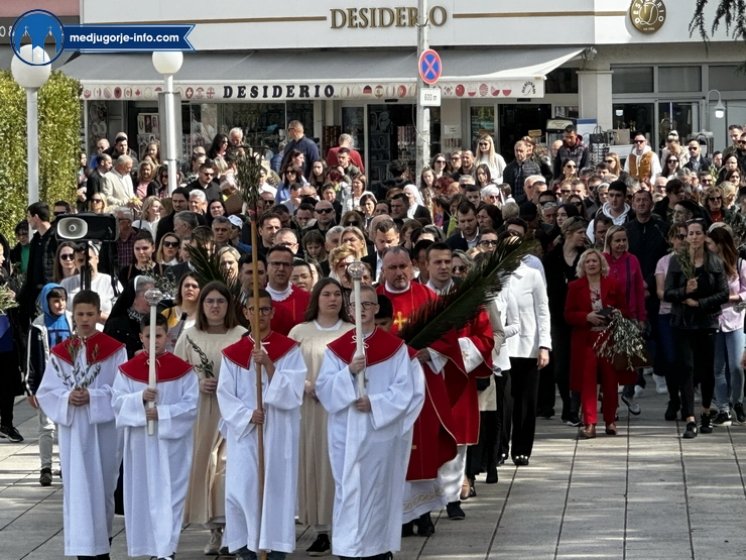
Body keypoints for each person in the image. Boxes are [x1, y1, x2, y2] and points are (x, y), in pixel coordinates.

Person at [316, 284, 424, 560]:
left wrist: (375, 403)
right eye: (355, 305)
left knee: (378, 490)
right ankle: (348, 549)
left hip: (380, 434)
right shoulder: (336, 350)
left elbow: (407, 390)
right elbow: (325, 390)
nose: (361, 310)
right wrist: (349, 373)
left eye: (367, 304)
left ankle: (377, 549)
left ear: (376, 308)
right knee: (348, 489)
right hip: (346, 431)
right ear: (348, 310)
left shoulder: (396, 349)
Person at [36, 290, 128, 559]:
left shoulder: (114, 350)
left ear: (98, 313)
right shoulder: (62, 353)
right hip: (74, 432)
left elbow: (121, 391)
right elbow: (46, 393)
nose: (85, 320)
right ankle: (82, 549)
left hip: (104, 432)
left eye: (90, 314)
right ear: (72, 316)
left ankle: (103, 545)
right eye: (80, 315)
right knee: (78, 489)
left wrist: (93, 396)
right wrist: (67, 398)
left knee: (103, 489)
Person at [217, 288, 306, 560]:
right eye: (254, 309)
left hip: (278, 432)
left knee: (276, 490)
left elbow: (294, 391)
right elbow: (224, 394)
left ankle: (275, 548)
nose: (260, 315)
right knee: (244, 489)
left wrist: (268, 365)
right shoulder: (233, 353)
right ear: (245, 313)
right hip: (246, 435)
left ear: (273, 312)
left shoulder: (288, 350)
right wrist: (246, 415)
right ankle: (247, 548)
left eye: (265, 309)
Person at [112, 314, 198, 560]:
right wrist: (138, 400)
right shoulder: (128, 371)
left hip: (170, 444)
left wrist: (161, 413)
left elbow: (191, 405)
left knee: (170, 495)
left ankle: (166, 549)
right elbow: (116, 403)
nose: (154, 341)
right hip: (140, 443)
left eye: (158, 336)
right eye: (148, 336)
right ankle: (148, 546)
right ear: (141, 337)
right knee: (143, 494)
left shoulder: (182, 370)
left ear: (167, 337)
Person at [174, 281, 245, 555]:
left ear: (229, 306)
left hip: (231, 411)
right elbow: (177, 376)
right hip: (202, 411)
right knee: (206, 468)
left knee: (227, 467)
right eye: (210, 301)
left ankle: (232, 532)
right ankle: (214, 531)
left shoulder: (240, 335)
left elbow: (248, 374)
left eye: (220, 301)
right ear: (202, 306)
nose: (215, 307)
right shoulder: (189, 336)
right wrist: (197, 383)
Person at [288, 279, 353, 557]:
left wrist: (332, 388)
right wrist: (305, 385)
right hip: (309, 408)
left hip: (341, 409)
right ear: (317, 298)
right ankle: (321, 529)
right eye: (326, 294)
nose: (332, 299)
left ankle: (344, 525)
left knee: (338, 465)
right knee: (313, 464)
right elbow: (287, 368)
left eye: (337, 294)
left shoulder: (352, 332)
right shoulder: (300, 332)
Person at [664, 219, 729, 438]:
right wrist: (684, 291)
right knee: (687, 368)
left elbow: (723, 294)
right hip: (683, 322)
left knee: (706, 369)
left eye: (697, 233)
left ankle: (706, 413)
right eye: (689, 234)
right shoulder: (677, 261)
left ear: (704, 236)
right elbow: (668, 293)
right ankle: (690, 417)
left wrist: (700, 303)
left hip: (707, 321)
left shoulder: (714, 262)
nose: (692, 237)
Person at [565, 249, 635, 438]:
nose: (591, 264)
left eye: (595, 261)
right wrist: (585, 316)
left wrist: (613, 313)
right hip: (585, 340)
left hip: (608, 339)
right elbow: (568, 314)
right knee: (587, 382)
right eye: (587, 261)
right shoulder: (574, 286)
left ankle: (610, 421)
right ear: (582, 265)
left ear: (601, 264)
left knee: (611, 381)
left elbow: (626, 311)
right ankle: (590, 423)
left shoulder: (613, 284)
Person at [26, 283, 73, 485]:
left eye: (62, 299)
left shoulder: (72, 321)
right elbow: (31, 359)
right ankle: (46, 467)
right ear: (46, 302)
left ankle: (64, 465)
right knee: (46, 427)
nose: (59, 304)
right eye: (55, 300)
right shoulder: (38, 325)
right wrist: (31, 388)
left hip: (68, 384)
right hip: (47, 385)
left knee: (65, 426)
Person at [707, 227, 746, 426]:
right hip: (714, 321)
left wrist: (731, 297)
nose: (708, 247)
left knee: (737, 366)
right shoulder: (707, 265)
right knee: (718, 368)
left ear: (720, 244)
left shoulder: (740, 264)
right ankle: (723, 409)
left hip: (736, 320)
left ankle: (737, 401)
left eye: (710, 243)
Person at [265, 245, 311, 335]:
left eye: (286, 264)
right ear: (267, 268)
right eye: (276, 264)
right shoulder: (256, 299)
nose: (281, 268)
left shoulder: (307, 299)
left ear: (291, 269)